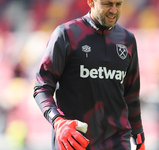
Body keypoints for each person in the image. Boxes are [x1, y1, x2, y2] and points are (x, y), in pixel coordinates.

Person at [33, 0, 145, 150]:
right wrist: (58, 121)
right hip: (76, 141)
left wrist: (139, 137)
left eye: (118, 4)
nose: (113, 10)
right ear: (91, 2)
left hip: (117, 142)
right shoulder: (67, 34)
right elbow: (42, 87)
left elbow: (131, 96)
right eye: (107, 4)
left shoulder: (128, 40)